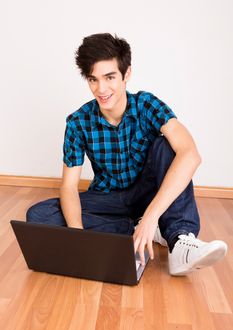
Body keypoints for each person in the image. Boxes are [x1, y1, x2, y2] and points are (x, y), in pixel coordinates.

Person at [26, 33, 227, 276]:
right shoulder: (78, 122)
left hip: (146, 193)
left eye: (109, 77)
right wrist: (77, 235)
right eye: (93, 79)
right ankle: (139, 230)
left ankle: (179, 241)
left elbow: (190, 154)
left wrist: (151, 215)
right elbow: (68, 187)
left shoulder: (146, 105)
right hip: (107, 199)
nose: (101, 89)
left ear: (126, 74)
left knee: (166, 146)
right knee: (37, 215)